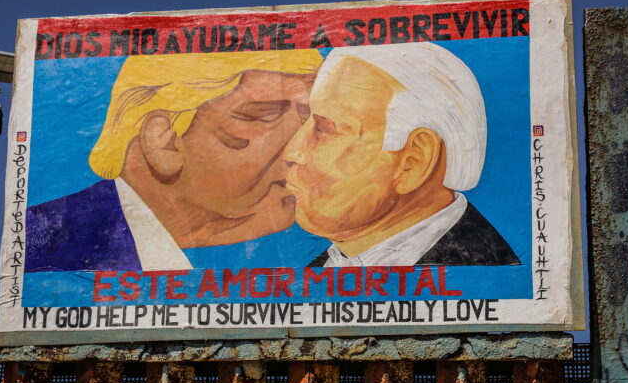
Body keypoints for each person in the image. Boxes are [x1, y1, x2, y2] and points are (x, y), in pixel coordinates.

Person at [26, 50, 325, 272]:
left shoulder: (325, 259)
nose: (302, 148)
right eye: (261, 115)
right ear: (164, 140)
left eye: (315, 123)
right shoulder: (37, 246)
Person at [282, 43, 520, 267]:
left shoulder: (486, 270)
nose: (292, 151)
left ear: (413, 162)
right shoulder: (316, 273)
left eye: (324, 129)